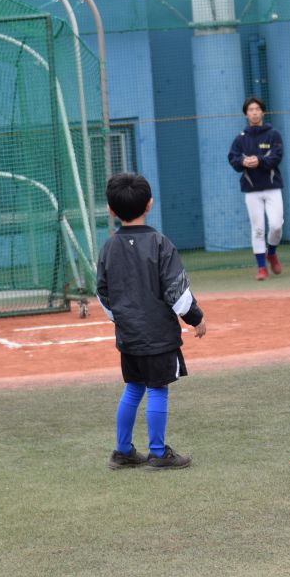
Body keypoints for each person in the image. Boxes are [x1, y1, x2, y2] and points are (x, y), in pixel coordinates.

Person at [97, 173, 207, 470]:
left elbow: (103, 293)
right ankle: (158, 453)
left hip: (129, 336)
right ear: (150, 204)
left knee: (133, 388)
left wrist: (121, 319)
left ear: (110, 209)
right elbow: (177, 290)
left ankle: (123, 451)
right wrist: (195, 318)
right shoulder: (160, 243)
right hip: (159, 337)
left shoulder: (108, 247)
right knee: (157, 389)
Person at [228, 97, 285, 281]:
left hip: (272, 188)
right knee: (258, 229)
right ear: (246, 114)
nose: (254, 112)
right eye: (250, 109)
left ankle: (272, 252)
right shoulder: (240, 139)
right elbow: (233, 158)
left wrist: (259, 160)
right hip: (251, 191)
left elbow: (276, 157)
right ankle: (261, 268)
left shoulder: (273, 134)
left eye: (257, 109)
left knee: (276, 225)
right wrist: (243, 161)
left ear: (263, 112)